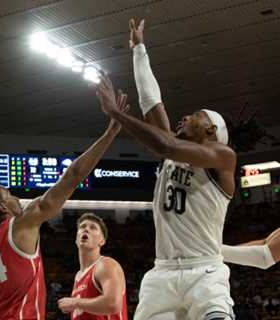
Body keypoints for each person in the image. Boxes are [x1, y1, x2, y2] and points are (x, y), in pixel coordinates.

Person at [0, 102, 128, 319]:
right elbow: (73, 175)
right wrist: (110, 133)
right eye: (10, 195)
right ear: (2, 207)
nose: (17, 199)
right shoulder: (21, 224)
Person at [95, 19, 237, 319]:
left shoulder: (222, 156)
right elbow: (151, 102)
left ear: (211, 129)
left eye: (196, 115)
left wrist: (116, 113)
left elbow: (166, 147)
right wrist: (139, 50)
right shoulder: (174, 146)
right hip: (162, 272)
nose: (185, 115)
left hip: (204, 270)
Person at [58, 213, 127, 320]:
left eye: (93, 228)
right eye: (82, 227)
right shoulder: (78, 276)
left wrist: (76, 302)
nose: (86, 229)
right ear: (76, 239)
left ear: (102, 241)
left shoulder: (106, 264)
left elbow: (113, 304)